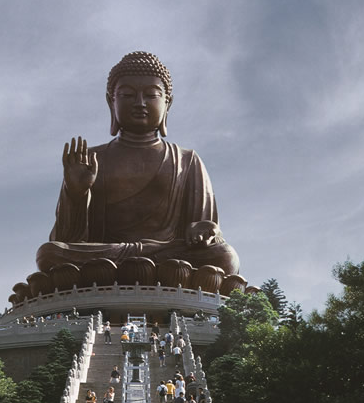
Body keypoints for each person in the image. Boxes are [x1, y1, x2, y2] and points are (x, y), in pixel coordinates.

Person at [33, 52, 240, 280]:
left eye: (151, 95)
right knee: (49, 254)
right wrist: (76, 193)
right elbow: (66, 239)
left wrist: (205, 230)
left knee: (225, 256)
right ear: (111, 101)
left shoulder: (187, 160)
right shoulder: (91, 159)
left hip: (167, 255)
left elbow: (208, 231)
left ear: (167, 103)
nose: (140, 103)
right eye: (127, 95)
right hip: (108, 256)